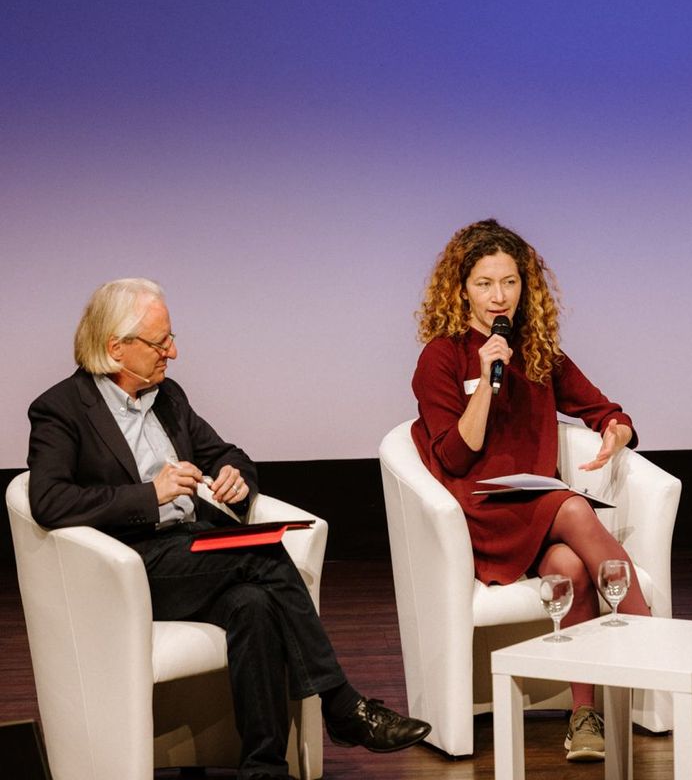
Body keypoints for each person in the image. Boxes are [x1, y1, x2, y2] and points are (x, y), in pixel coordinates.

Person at [27, 279, 430, 780]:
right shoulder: (63, 409)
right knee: (260, 554)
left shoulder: (168, 396)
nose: (173, 351)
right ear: (116, 347)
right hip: (128, 565)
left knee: (255, 606)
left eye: (170, 338)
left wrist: (237, 477)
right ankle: (342, 706)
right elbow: (47, 500)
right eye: (160, 342)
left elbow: (227, 453)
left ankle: (263, 767)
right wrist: (150, 495)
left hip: (191, 553)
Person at [410, 218, 650, 764]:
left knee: (568, 565)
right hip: (483, 512)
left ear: (526, 287)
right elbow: (454, 455)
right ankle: (653, 643)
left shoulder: (540, 353)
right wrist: (487, 377)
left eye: (510, 283)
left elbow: (606, 408)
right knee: (570, 504)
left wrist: (618, 429)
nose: (500, 297)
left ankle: (583, 717)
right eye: (485, 284)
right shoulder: (442, 358)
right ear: (461, 290)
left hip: (537, 511)